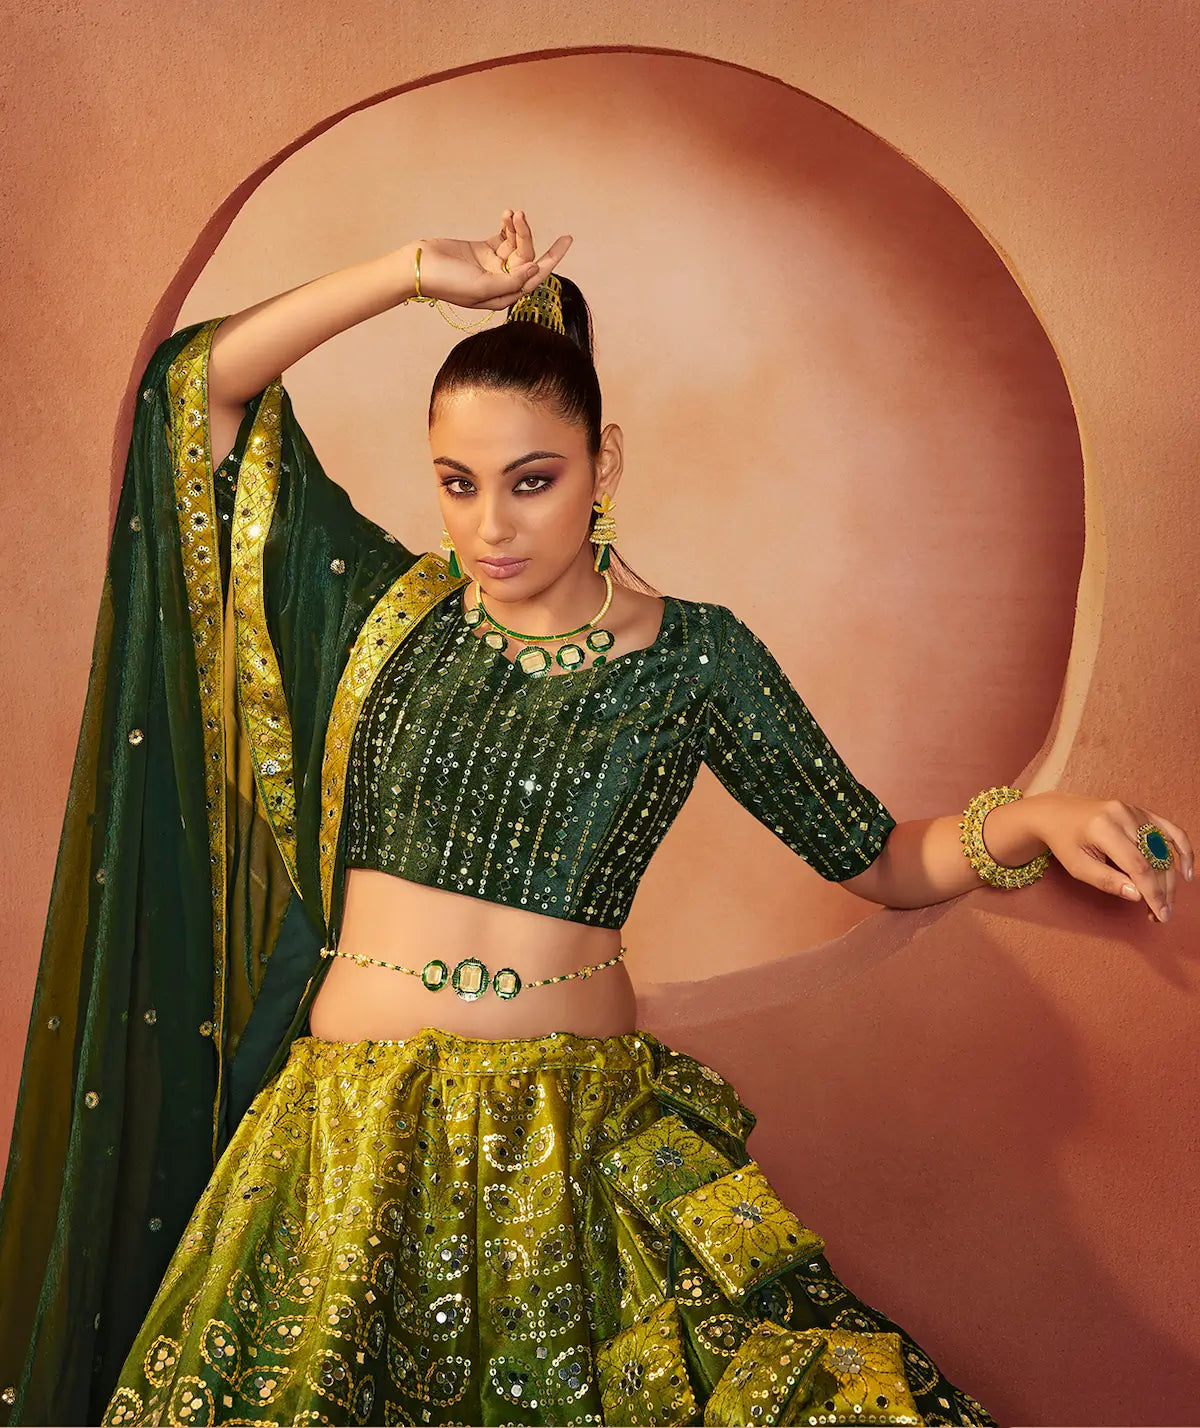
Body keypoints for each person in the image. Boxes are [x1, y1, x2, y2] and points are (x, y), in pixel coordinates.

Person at [0, 209, 1190, 1428]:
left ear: (603, 462)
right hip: (346, 1160)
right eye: (457, 484)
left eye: (533, 481)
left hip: (577, 1168)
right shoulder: (379, 615)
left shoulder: (697, 660)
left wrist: (1038, 820)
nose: (490, 528)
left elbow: (877, 856)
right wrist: (413, 275)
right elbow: (200, 392)